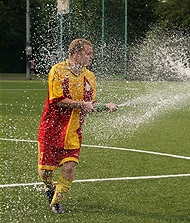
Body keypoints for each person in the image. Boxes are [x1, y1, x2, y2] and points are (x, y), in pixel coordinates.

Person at [37, 38, 118, 214]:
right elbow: (57, 101)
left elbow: (91, 104)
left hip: (74, 131)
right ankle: (48, 187)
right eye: (88, 53)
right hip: (51, 129)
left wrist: (105, 106)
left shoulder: (90, 77)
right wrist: (82, 104)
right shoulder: (57, 71)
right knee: (45, 172)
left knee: (69, 167)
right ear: (76, 54)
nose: (92, 57)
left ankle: (56, 203)